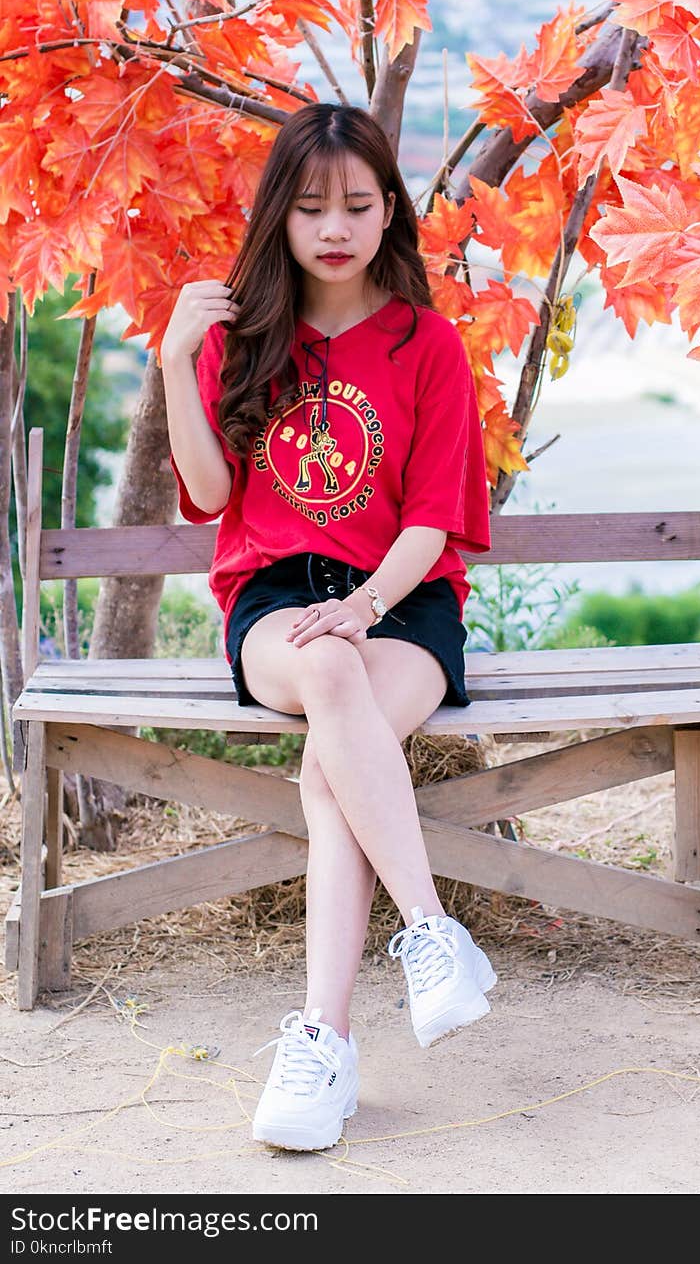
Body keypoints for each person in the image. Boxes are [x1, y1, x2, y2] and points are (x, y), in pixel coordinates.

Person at [160, 102, 496, 1153]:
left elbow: (435, 518)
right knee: (329, 681)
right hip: (272, 598)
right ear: (281, 217)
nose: (335, 226)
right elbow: (211, 496)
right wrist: (178, 358)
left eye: (357, 204)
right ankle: (432, 932)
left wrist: (361, 608)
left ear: (389, 210)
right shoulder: (244, 342)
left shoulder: (425, 344)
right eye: (311, 207)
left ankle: (322, 1043)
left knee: (331, 757)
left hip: (402, 601)